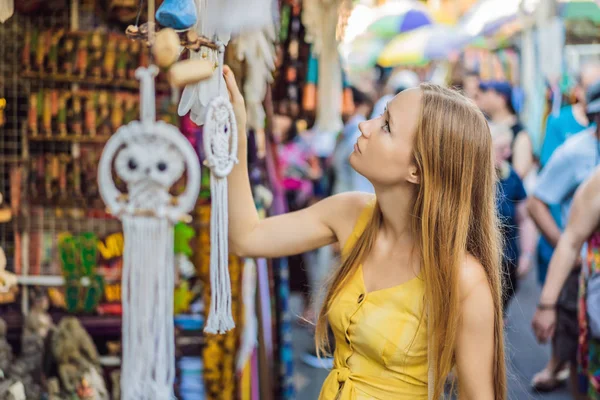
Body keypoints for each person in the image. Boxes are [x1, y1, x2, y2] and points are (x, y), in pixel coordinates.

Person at [224, 65, 505, 399]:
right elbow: (246, 237)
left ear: (417, 168)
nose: (364, 125)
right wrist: (237, 135)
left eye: (386, 126)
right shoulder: (350, 212)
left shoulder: (464, 278)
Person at [529, 79, 600, 396]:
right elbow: (536, 203)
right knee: (575, 349)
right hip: (584, 272)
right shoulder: (576, 154)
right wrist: (547, 303)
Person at [492, 124, 527, 313]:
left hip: (507, 260)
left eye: (509, 148)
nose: (507, 154)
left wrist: (527, 254)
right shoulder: (472, 176)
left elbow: (525, 219)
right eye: (501, 149)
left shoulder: (511, 177)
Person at [477, 80, 533, 178]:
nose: (481, 96)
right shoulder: (482, 126)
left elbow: (519, 175)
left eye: (487, 92)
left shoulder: (519, 134)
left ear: (502, 98)